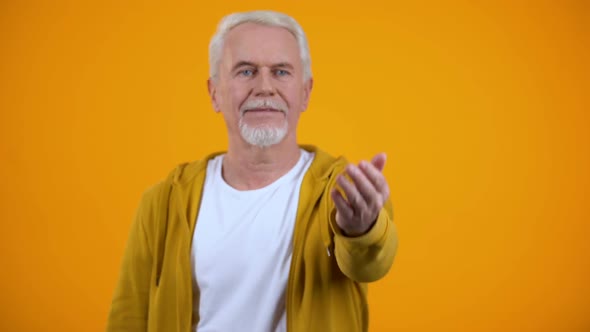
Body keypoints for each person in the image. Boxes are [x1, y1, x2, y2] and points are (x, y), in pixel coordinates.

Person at [106, 10, 398, 332]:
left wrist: (361, 229)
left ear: (305, 92)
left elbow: (370, 264)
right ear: (214, 92)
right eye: (245, 71)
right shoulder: (163, 203)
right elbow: (129, 317)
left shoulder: (341, 192)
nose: (264, 87)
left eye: (281, 72)